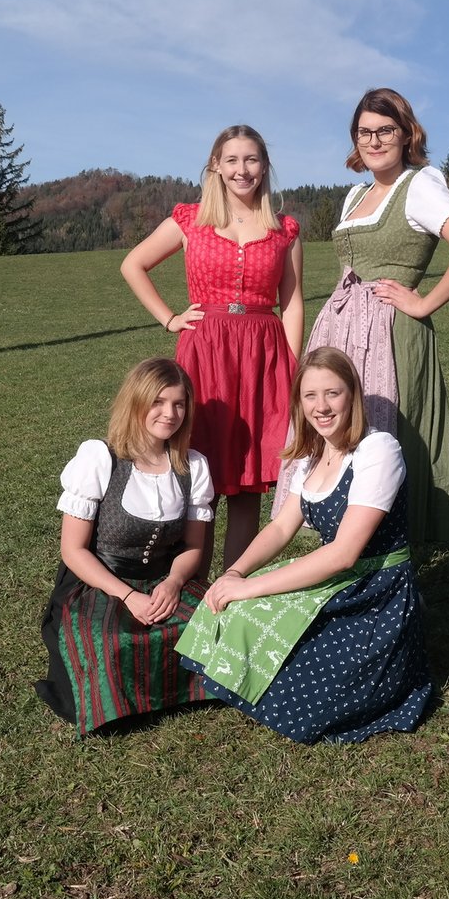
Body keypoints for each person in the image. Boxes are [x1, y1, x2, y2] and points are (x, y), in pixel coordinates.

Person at [176, 347, 432, 744]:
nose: (321, 406)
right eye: (310, 395)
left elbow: (344, 553)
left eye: (333, 393)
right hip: (338, 579)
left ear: (352, 395)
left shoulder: (378, 450)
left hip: (376, 593)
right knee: (235, 607)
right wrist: (235, 572)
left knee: (315, 701)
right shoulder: (314, 457)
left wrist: (250, 586)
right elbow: (281, 528)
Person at [274, 88, 449, 548]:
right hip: (341, 326)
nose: (373, 141)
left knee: (382, 427)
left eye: (385, 130)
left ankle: (388, 542)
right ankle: (339, 532)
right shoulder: (356, 195)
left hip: (388, 331)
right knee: (337, 422)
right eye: (364, 132)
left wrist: (424, 303)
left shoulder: (420, 187)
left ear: (407, 133)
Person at [121, 125, 303, 572]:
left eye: (252, 159)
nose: (243, 170)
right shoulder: (191, 219)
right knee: (199, 470)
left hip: (264, 354)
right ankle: (191, 583)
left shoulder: (284, 229)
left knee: (248, 478)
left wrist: (292, 367)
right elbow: (133, 264)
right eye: (232, 160)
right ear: (216, 166)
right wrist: (169, 318)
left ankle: (233, 586)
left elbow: (293, 302)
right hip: (205, 351)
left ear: (265, 166)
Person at [36, 357, 217, 735]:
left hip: (164, 579)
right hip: (100, 582)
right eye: (158, 402)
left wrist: (174, 583)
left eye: (179, 404)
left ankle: (174, 693)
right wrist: (128, 596)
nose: (170, 413)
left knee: (217, 623)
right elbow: (73, 551)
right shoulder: (101, 458)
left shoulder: (192, 465)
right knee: (110, 641)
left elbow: (193, 547)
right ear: (135, 402)